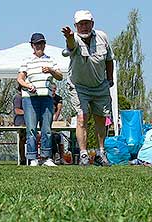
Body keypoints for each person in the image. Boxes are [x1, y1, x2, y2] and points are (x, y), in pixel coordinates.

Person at [61, 10, 114, 166]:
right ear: (75, 26)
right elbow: (71, 46)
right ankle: (84, 154)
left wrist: (109, 79)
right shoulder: (74, 38)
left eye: (86, 23)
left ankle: (100, 153)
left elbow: (109, 59)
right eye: (80, 24)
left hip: (100, 85)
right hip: (79, 87)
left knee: (101, 119)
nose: (84, 27)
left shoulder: (102, 37)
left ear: (92, 23)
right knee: (82, 118)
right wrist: (69, 37)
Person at [17, 32, 63, 167]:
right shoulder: (26, 60)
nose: (40, 46)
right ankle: (32, 158)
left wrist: (51, 70)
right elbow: (20, 79)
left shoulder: (50, 60)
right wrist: (27, 85)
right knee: (31, 129)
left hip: (47, 98)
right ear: (32, 45)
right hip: (30, 99)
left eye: (42, 43)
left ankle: (46, 157)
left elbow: (60, 76)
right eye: (37, 44)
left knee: (47, 129)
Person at [50, 83, 65, 164]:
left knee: (61, 138)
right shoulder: (46, 97)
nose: (53, 90)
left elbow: (59, 110)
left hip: (56, 119)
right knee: (51, 136)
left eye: (54, 88)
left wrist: (55, 120)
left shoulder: (58, 98)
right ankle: (53, 155)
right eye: (52, 88)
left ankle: (62, 158)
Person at [13, 86, 27, 165]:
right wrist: (28, 112)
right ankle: (22, 158)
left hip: (27, 122)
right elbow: (17, 110)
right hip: (20, 122)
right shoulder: (18, 97)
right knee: (22, 139)